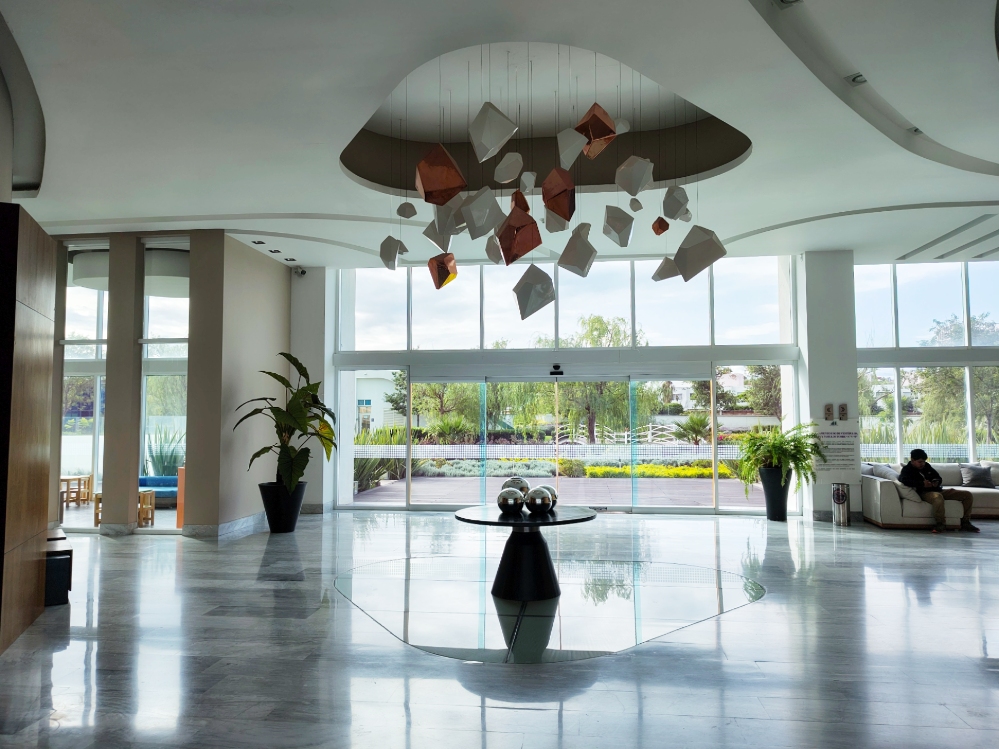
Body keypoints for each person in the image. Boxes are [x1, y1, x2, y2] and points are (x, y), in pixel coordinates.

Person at [898, 449, 980, 534]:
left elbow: (938, 477)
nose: (922, 464)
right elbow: (904, 480)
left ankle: (965, 522)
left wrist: (936, 482)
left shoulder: (926, 466)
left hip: (938, 490)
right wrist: (922, 484)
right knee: (937, 497)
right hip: (924, 493)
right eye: (920, 462)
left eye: (924, 461)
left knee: (967, 495)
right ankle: (940, 523)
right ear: (912, 460)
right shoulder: (907, 470)